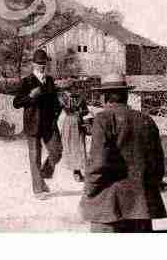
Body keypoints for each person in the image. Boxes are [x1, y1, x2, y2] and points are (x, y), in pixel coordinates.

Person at [80, 73, 166, 232]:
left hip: (110, 208)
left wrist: (89, 191)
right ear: (126, 95)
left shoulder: (103, 119)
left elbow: (97, 164)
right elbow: (159, 164)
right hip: (141, 207)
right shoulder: (146, 120)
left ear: (104, 97)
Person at [13, 49, 62, 200]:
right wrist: (30, 96)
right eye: (39, 63)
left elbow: (55, 102)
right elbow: (16, 103)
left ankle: (42, 176)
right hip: (32, 125)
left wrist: (56, 112)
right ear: (33, 64)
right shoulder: (26, 82)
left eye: (44, 63)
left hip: (49, 125)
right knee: (35, 157)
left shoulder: (50, 81)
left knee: (57, 151)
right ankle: (38, 189)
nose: (42, 66)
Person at [57, 80, 91, 182]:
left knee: (79, 146)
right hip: (69, 123)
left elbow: (86, 110)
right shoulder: (62, 98)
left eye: (70, 88)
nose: (69, 91)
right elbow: (61, 108)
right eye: (66, 89)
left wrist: (80, 112)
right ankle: (75, 171)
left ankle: (78, 171)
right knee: (70, 147)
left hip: (78, 123)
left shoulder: (80, 98)